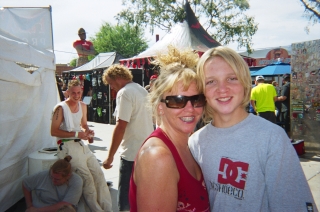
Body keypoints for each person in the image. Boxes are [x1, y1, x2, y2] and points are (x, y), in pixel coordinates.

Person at [189, 46, 317, 211]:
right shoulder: (195, 142)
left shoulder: (272, 138)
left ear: (244, 83)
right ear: (202, 90)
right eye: (211, 81)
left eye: (231, 78)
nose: (222, 89)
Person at [129, 46, 210, 212]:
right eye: (177, 100)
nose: (190, 109)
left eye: (197, 99)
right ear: (160, 108)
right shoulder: (157, 157)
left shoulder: (191, 143)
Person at [51, 79, 113, 212]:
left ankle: (107, 209)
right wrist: (76, 134)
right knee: (88, 182)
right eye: (73, 93)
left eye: (79, 92)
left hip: (80, 145)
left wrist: (88, 133)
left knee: (99, 176)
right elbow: (54, 131)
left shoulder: (83, 106)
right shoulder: (60, 108)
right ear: (67, 92)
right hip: (67, 146)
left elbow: (84, 125)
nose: (76, 95)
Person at [102, 64, 154, 211]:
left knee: (125, 198)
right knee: (142, 195)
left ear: (118, 78)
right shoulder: (141, 89)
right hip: (146, 150)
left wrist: (110, 156)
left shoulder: (124, 92)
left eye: (111, 83)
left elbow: (121, 126)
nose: (111, 87)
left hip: (131, 153)